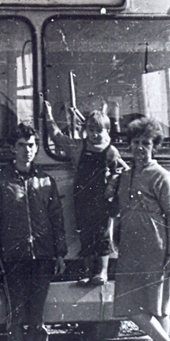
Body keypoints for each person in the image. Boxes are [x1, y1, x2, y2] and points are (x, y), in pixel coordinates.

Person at [0, 123, 67, 341]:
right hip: (13, 256)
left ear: (37, 148)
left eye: (31, 145)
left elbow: (56, 219)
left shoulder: (46, 181)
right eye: (21, 145)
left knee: (38, 316)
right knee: (16, 316)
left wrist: (59, 253)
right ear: (12, 149)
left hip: (42, 256)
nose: (27, 150)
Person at [112, 116, 170, 341]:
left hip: (155, 248)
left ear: (154, 146)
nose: (140, 148)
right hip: (129, 247)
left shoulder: (162, 176)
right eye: (136, 142)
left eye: (146, 143)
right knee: (129, 304)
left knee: (157, 308)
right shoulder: (124, 176)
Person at [43, 101, 127, 285]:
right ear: (85, 130)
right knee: (85, 234)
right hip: (82, 197)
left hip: (103, 198)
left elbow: (121, 171)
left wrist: (112, 185)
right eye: (91, 130)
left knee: (103, 234)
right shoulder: (78, 147)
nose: (95, 134)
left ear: (107, 131)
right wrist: (48, 115)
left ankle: (102, 271)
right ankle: (87, 270)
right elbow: (57, 137)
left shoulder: (111, 151)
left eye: (99, 130)